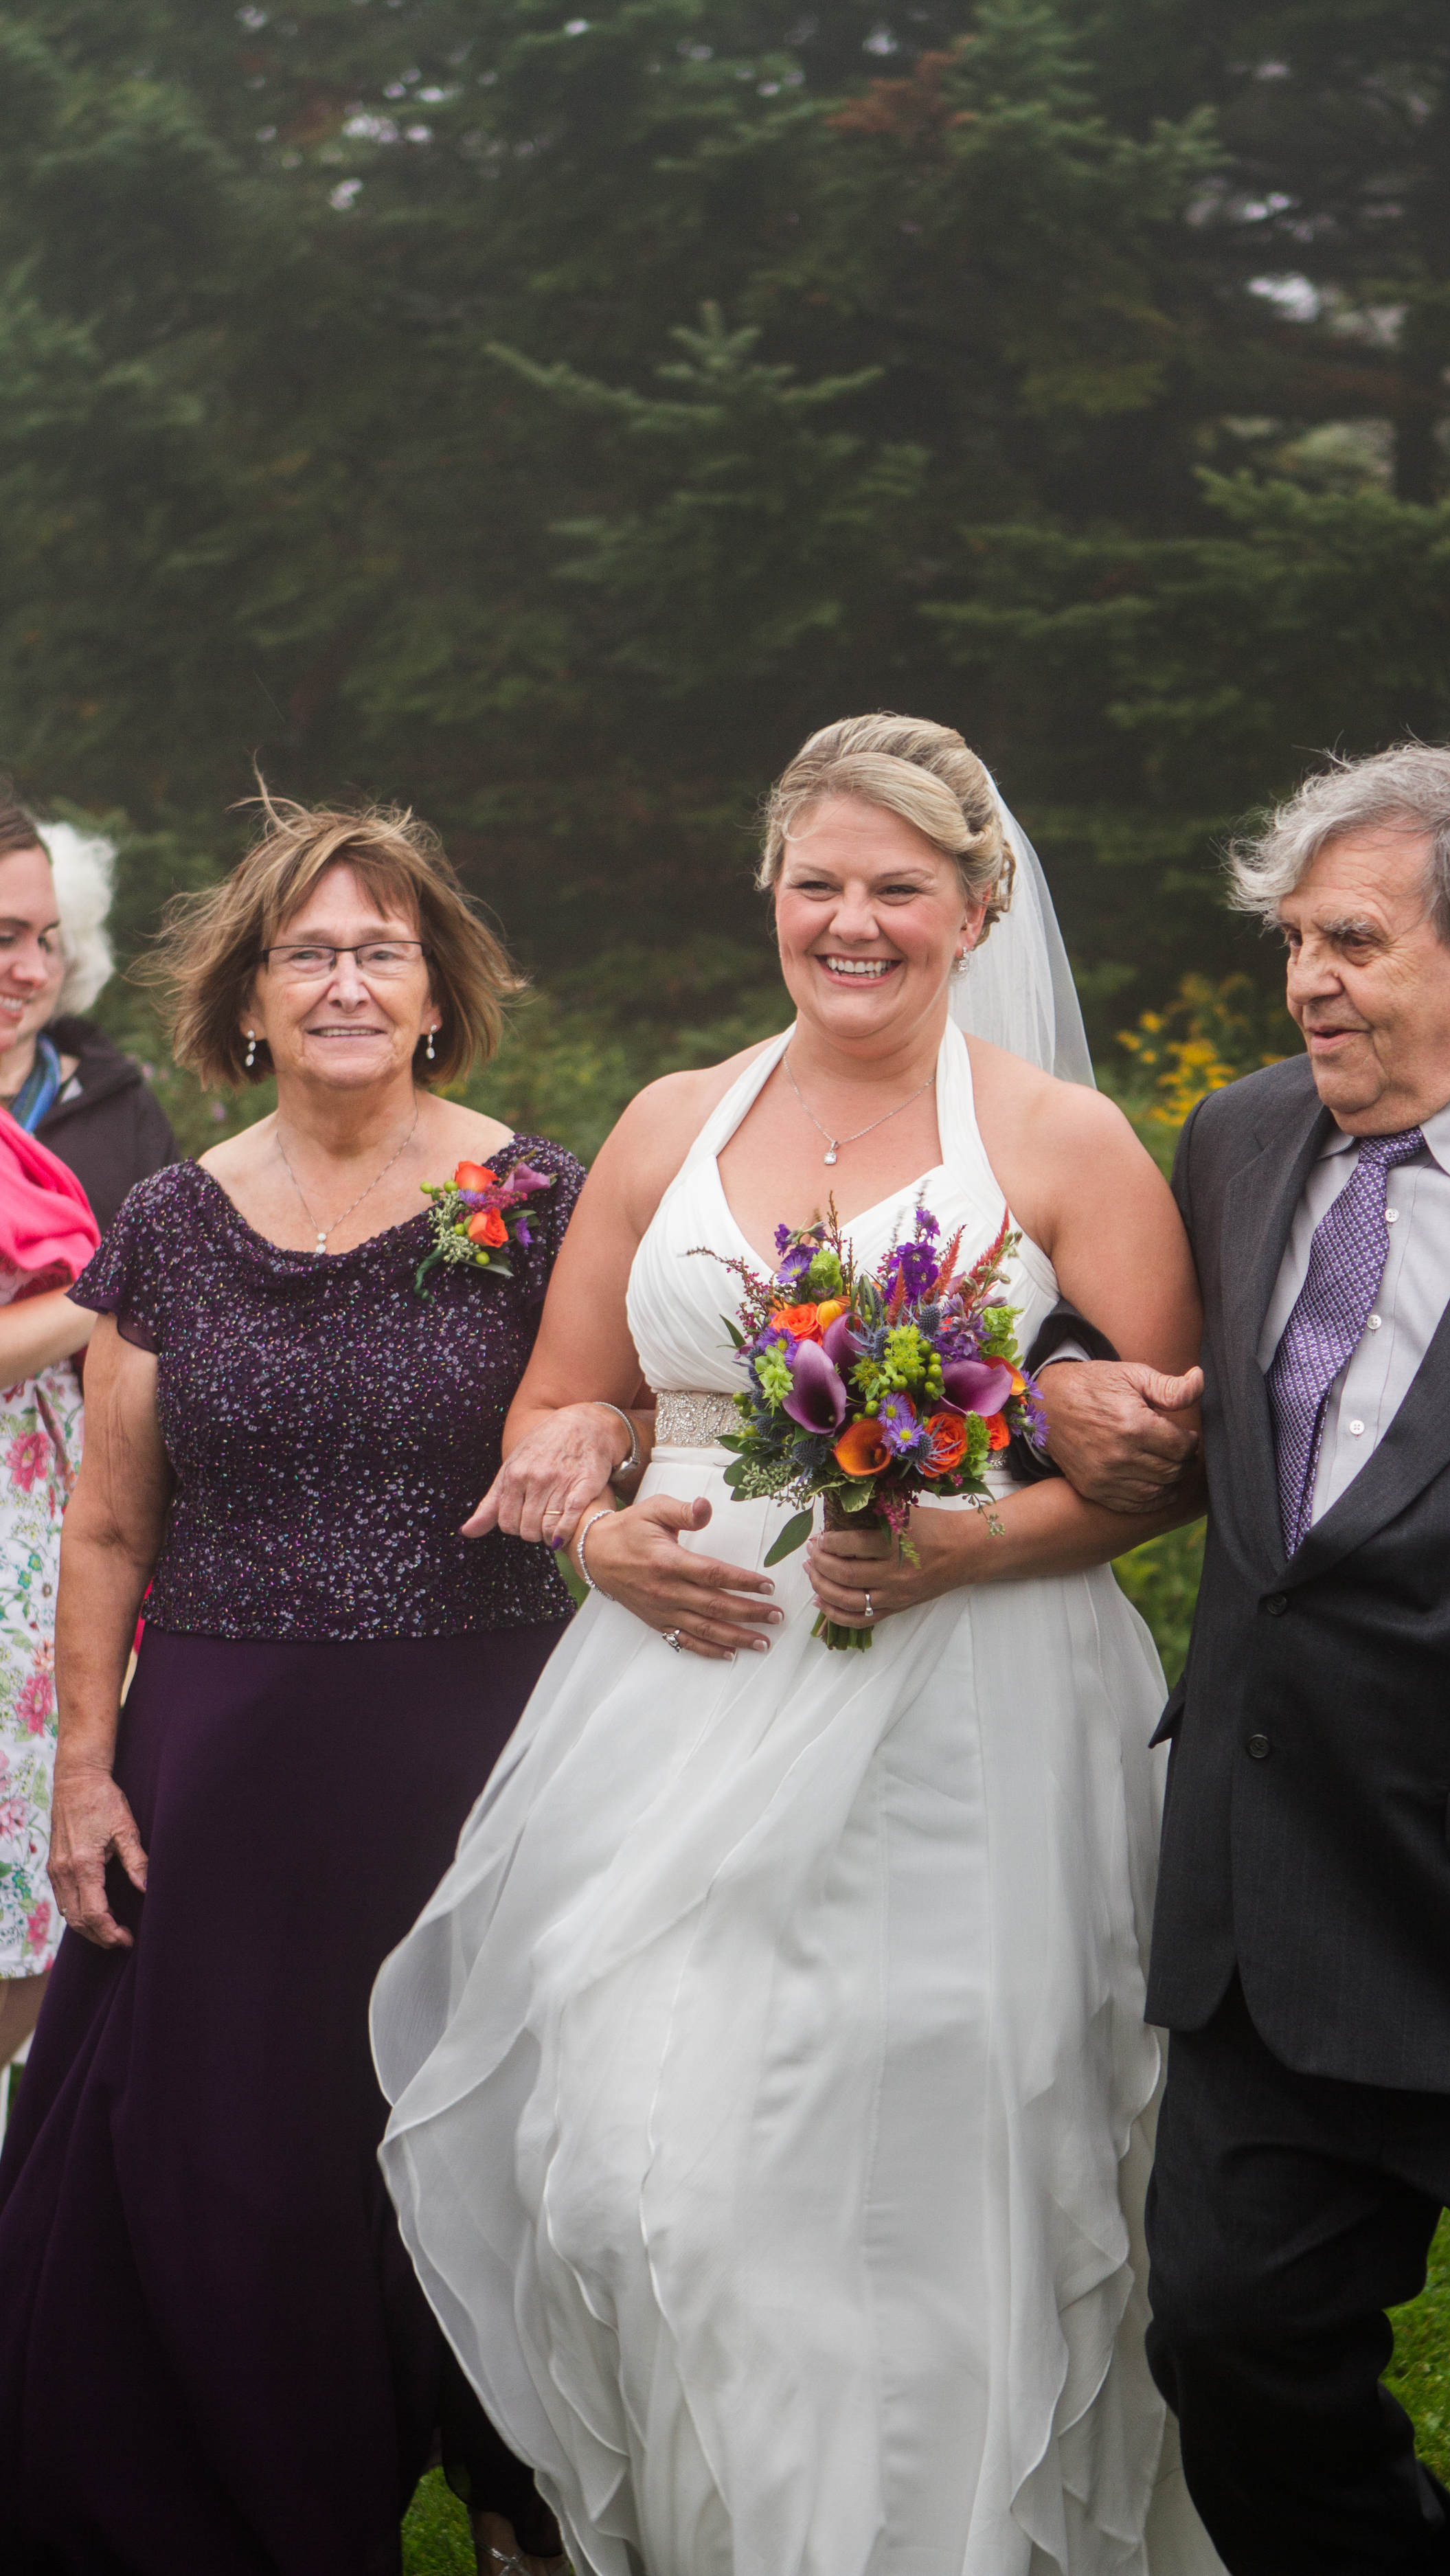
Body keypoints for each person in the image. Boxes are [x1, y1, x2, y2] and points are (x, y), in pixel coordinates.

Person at [374, 714, 1221, 2575]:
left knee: (928, 2183)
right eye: (818, 882)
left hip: (970, 1718)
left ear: (979, 905)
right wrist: (597, 1530)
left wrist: (959, 1539)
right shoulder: (675, 1119)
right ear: (770, 890)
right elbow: (556, 1404)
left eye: (898, 888)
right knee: (627, 2163)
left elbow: (1168, 1459)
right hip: (675, 1693)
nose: (853, 921)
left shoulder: (1064, 1140)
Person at [1040, 742, 1450, 2575]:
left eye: (1347, 939)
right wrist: (1057, 1384)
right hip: (1275, 1920)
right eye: (1289, 939)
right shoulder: (1243, 1134)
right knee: (1233, 2352)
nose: (1303, 981)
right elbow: (1092, 1338)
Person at [0, 799, 589, 2576]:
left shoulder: (534, 1193)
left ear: (437, 991)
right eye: (308, 951)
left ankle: (519, 2491)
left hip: (479, 1753)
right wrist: (86, 1776)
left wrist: (602, 1438)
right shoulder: (173, 1216)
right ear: (248, 997)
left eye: (380, 950)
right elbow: (106, 1526)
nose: (344, 980)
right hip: (225, 1768)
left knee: (502, 2142)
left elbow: (614, 1413)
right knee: (228, 2174)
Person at [0, 1116, 100, 2116]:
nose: (23, 967)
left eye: (42, 944)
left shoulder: (22, 1144)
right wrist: (101, 1291)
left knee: (31, 1910)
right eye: (3, 944)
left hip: (34, 1569)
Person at [0, 793, 178, 1228]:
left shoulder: (120, 1104)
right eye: (5, 937)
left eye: (48, 942)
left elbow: (173, 1286)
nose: (36, 972)